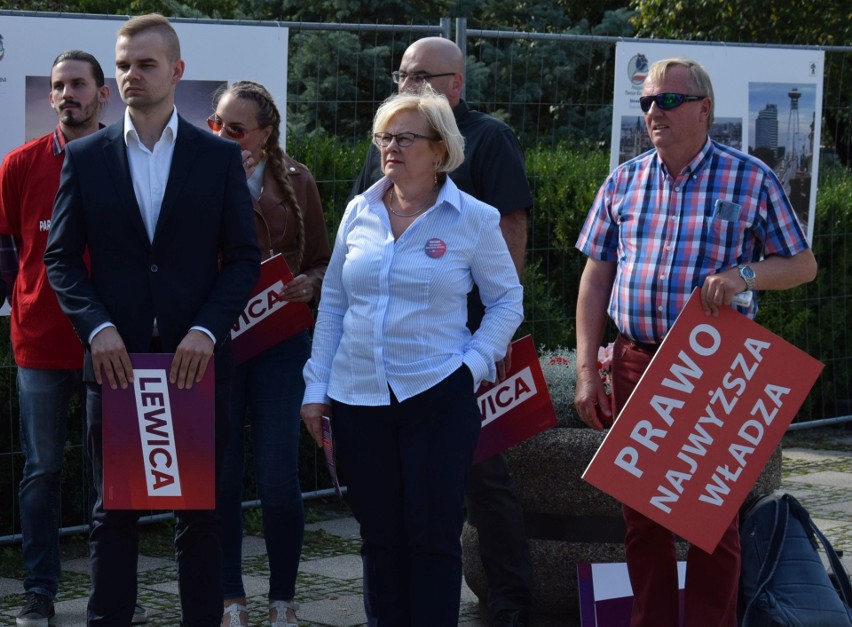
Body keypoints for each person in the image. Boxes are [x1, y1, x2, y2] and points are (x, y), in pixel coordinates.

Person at [574, 57, 817, 627]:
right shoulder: (625, 179)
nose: (654, 112)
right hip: (634, 359)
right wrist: (589, 367)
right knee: (642, 521)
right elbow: (595, 276)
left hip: (712, 366)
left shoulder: (750, 177)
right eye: (648, 102)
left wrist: (745, 276)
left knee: (713, 518)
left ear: (704, 109)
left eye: (669, 101)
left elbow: (803, 264)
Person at [43, 14, 260, 626]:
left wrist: (207, 329)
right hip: (115, 365)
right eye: (123, 65)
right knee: (112, 515)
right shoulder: (86, 157)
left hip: (194, 365)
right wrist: (98, 328)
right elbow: (60, 259)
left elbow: (243, 260)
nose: (132, 75)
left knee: (200, 515)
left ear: (177, 71)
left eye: (146, 64)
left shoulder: (217, 158)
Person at [302, 89, 523, 626]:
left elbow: (507, 299)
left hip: (436, 396)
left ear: (440, 147)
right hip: (357, 397)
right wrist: (316, 388)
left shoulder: (473, 218)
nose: (391, 147)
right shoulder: (360, 209)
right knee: (379, 537)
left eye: (405, 137)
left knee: (432, 536)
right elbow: (333, 302)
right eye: (385, 137)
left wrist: (473, 364)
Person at [350, 36, 534, 627]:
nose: (408, 86)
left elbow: (508, 236)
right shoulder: (388, 143)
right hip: (385, 368)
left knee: (484, 475)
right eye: (402, 74)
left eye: (422, 77)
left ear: (457, 86)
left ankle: (509, 599)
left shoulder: (489, 138)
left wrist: (483, 350)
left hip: (461, 348)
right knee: (403, 509)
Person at [0, 50, 126, 627]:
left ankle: (114, 594)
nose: (67, 93)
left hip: (117, 346)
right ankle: (39, 593)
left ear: (104, 93)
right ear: (50, 97)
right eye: (58, 86)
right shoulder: (20, 164)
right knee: (43, 469)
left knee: (116, 477)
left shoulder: (130, 161)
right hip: (41, 344)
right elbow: (6, 249)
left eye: (78, 83)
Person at [209, 80, 331, 627]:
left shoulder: (298, 179)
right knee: (223, 474)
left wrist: (309, 282)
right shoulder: (200, 174)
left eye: (235, 129)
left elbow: (325, 261)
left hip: (282, 343)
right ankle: (230, 597)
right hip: (217, 342)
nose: (222, 135)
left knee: (279, 474)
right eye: (215, 125)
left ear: (266, 132)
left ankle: (283, 597)